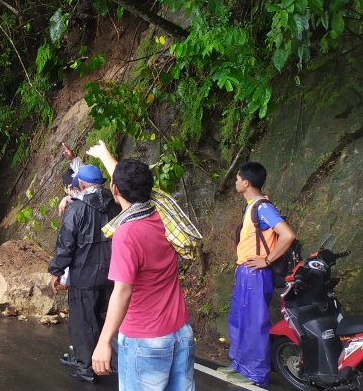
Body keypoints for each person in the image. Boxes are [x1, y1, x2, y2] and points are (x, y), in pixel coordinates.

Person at [87, 140, 194, 391]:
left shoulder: (127, 233)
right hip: (180, 331)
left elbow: (122, 291)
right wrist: (105, 154)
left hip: (146, 339)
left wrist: (104, 341)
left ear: (113, 189)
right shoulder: (162, 210)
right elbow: (129, 183)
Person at [220, 161, 296, 386]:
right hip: (246, 271)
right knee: (239, 318)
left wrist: (267, 259)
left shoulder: (263, 208)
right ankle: (239, 365)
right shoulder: (252, 206)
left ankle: (254, 373)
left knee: (254, 321)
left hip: (256, 273)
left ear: (246, 182)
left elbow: (287, 235)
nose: (235, 182)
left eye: (237, 178)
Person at [48, 163, 119, 384]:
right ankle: (111, 363)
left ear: (81, 183)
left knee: (83, 322)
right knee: (108, 319)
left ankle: (86, 368)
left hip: (84, 276)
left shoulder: (77, 209)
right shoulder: (115, 204)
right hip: (112, 273)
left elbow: (66, 244)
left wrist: (56, 271)